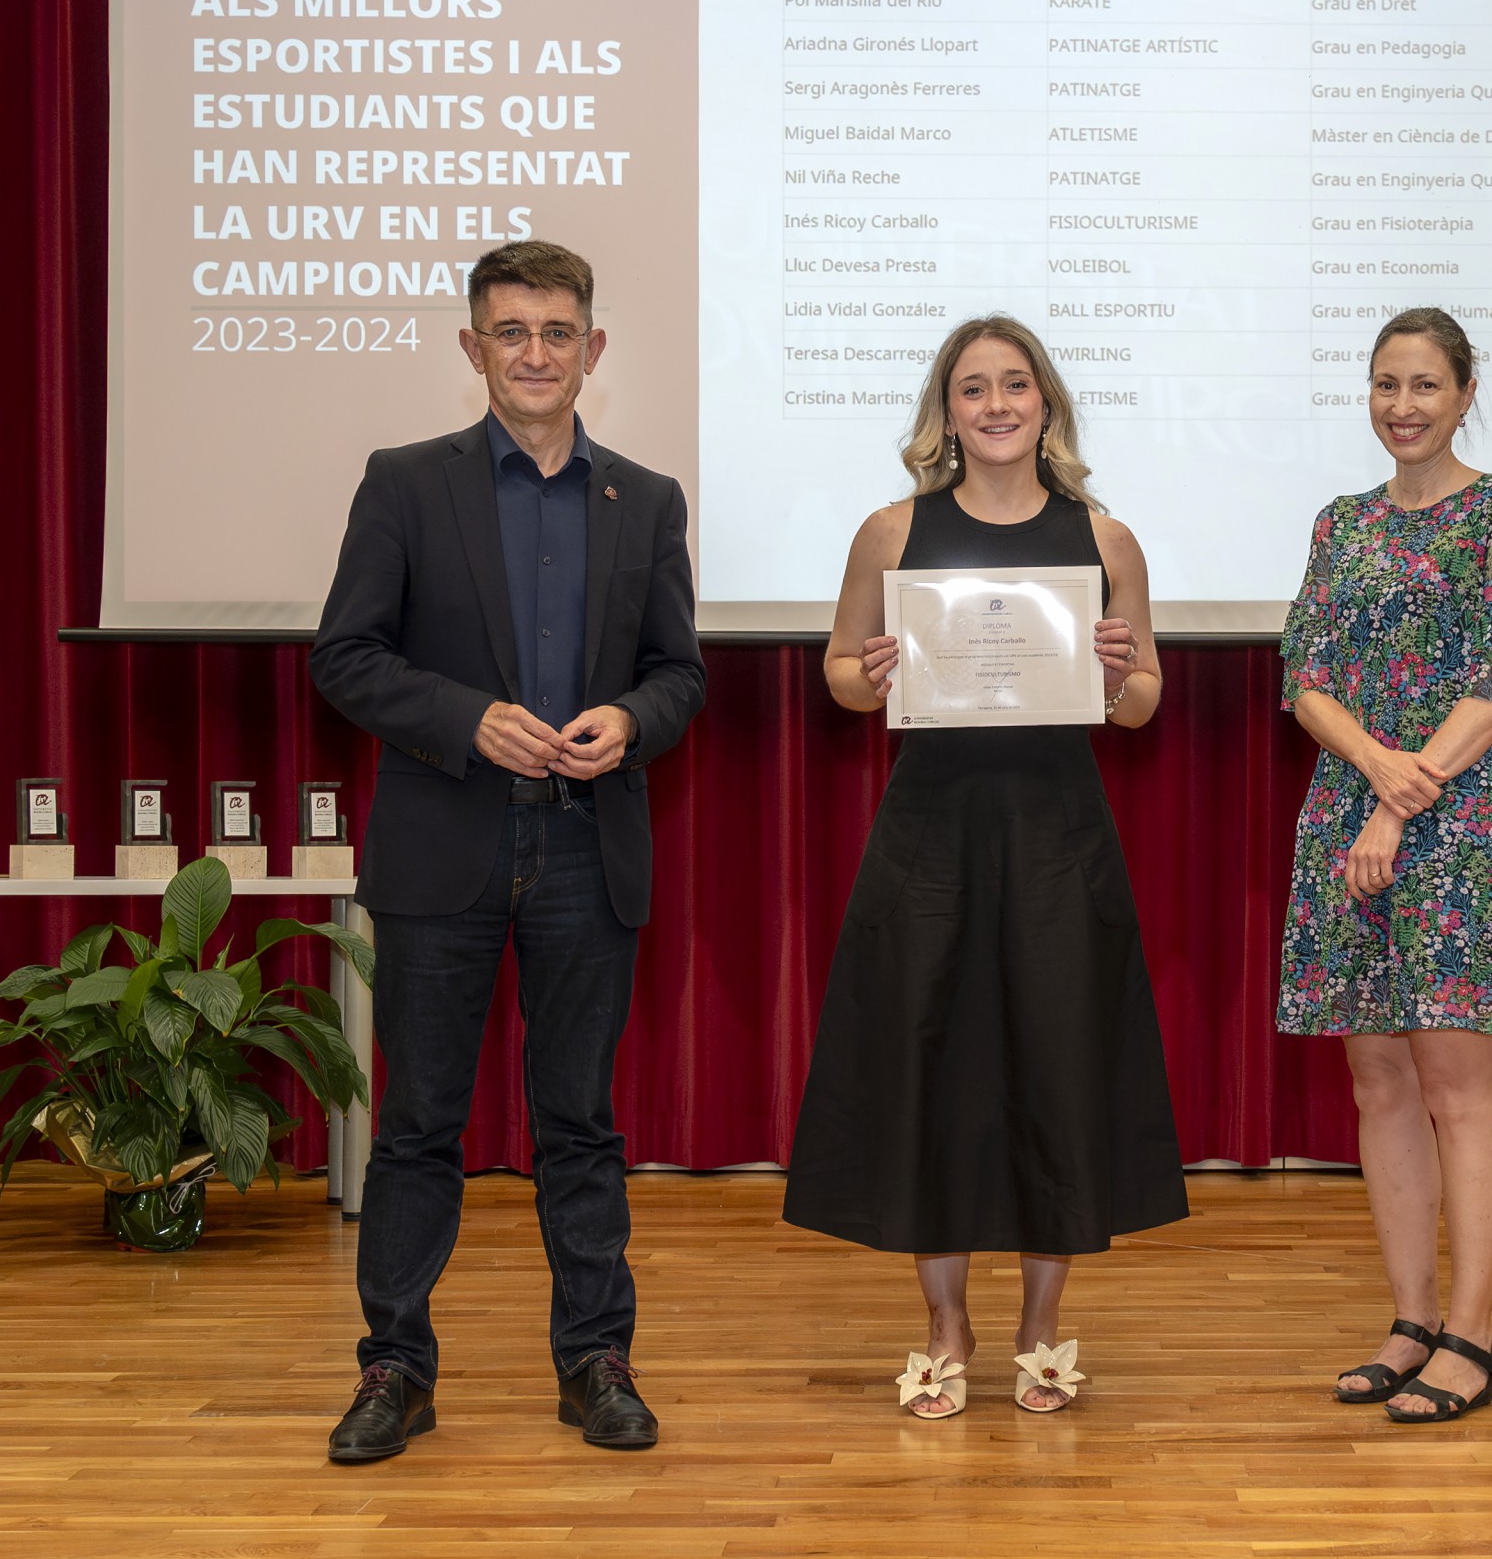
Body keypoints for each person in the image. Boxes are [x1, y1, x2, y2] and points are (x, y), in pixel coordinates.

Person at [309, 239, 705, 1463]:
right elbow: (346, 657)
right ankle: (394, 1369)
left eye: (557, 331)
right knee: (419, 1124)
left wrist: (631, 721)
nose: (536, 353)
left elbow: (678, 674)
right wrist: (464, 718)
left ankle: (596, 1362)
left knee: (578, 1124)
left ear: (593, 347)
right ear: (473, 347)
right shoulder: (403, 483)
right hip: (444, 847)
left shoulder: (646, 499)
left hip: (588, 848)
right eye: (512, 331)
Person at [783, 314, 1186, 1418]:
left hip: (1059, 839)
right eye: (973, 388)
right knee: (932, 1071)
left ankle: (1042, 1328)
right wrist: (870, 674)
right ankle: (944, 1325)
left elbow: (1142, 702)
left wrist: (1115, 673)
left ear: (1045, 404)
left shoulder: (1104, 540)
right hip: (930, 838)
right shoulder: (890, 532)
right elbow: (839, 675)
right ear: (946, 411)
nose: (996, 404)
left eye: (1015, 385)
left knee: (1060, 1067)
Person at [1277, 305, 1492, 1424]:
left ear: (1464, 394)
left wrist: (1402, 797)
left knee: (1456, 1087)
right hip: (1347, 813)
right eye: (1386, 384)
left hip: (1452, 825)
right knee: (1378, 1082)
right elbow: (1303, 677)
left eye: (1426, 385)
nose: (1403, 406)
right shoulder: (1339, 522)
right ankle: (1410, 1321)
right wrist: (1373, 772)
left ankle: (1472, 1337)